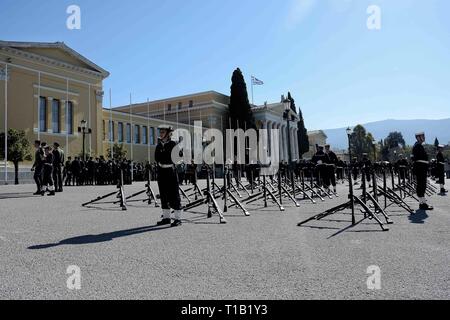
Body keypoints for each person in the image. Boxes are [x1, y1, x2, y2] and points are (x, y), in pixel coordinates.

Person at [155, 125, 183, 227]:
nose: (161, 134)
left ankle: (178, 219)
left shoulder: (173, 144)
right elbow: (156, 158)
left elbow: (179, 157)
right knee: (163, 194)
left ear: (167, 133)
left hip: (170, 171)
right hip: (161, 171)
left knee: (174, 194)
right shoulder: (159, 145)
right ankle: (166, 218)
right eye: (160, 132)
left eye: (163, 132)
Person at [412, 132, 433, 210]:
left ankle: (422, 203)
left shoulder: (418, 145)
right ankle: (422, 204)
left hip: (421, 168)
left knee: (422, 185)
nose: (424, 138)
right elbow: (417, 158)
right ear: (418, 137)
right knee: (421, 185)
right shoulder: (418, 146)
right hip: (420, 168)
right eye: (422, 136)